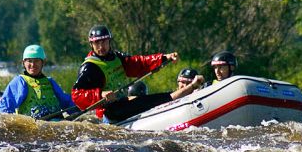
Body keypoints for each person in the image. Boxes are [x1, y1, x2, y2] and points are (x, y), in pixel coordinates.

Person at [71, 25, 203, 122]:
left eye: (104, 42)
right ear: (91, 44)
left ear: (109, 41)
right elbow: (77, 95)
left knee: (145, 99)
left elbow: (139, 63)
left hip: (122, 103)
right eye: (97, 43)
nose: (101, 47)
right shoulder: (89, 67)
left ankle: (183, 93)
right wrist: (100, 94)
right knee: (147, 101)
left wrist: (164, 58)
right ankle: (189, 88)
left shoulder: (116, 57)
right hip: (110, 112)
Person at [0, 45, 73, 118]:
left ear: (43, 62)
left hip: (54, 124)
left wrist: (80, 106)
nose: (33, 64)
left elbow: (67, 102)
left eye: (36, 61)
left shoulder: (50, 82)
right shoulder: (20, 82)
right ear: (23, 63)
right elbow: (4, 108)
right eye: (29, 61)